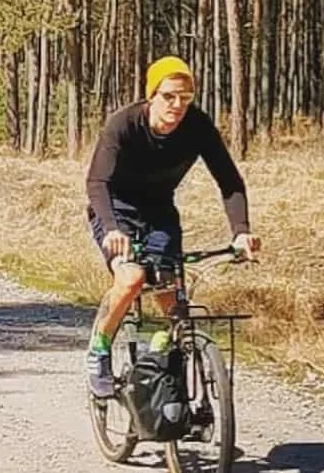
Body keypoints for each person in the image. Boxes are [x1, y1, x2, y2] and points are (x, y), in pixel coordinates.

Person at [83, 54, 259, 397]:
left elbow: (230, 182)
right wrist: (113, 228)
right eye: (169, 96)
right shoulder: (123, 125)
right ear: (152, 95)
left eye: (185, 98)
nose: (177, 105)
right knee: (132, 278)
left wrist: (240, 231)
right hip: (116, 208)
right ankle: (99, 348)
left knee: (173, 302)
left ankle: (162, 362)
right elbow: (97, 182)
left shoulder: (197, 126)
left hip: (160, 209)